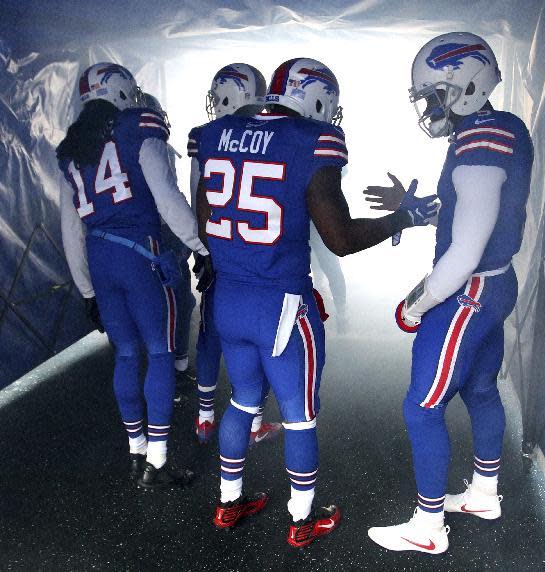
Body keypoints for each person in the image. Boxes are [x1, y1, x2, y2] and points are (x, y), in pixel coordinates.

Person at [193, 57, 438, 544]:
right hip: (281, 304)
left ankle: (227, 503)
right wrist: (403, 219)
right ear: (320, 98)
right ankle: (302, 520)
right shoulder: (312, 140)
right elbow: (340, 237)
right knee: (299, 415)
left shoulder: (214, 133)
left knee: (242, 402)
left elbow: (204, 222)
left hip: (229, 299)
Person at [365, 32, 534, 554]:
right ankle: (484, 493)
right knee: (480, 389)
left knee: (422, 407)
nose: (429, 107)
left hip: (470, 290)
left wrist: (417, 303)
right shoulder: (500, 128)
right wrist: (415, 209)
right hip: (496, 281)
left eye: (434, 94)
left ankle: (428, 528)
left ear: (465, 83)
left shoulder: (480, 140)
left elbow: (465, 249)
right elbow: (474, 208)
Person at [57, 62, 212, 490]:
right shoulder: (136, 128)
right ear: (125, 92)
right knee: (160, 355)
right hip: (141, 253)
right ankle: (159, 461)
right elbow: (168, 199)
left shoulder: (73, 147)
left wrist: (86, 286)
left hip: (100, 256)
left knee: (126, 354)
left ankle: (136, 450)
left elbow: (70, 226)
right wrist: (202, 247)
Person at [188, 64, 282, 446]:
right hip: (256, 255)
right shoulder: (274, 136)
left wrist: (201, 248)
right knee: (258, 338)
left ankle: (206, 416)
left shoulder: (208, 136)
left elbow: (199, 197)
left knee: (211, 330)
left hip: (219, 247)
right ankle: (255, 417)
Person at [142, 92, 198, 395]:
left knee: (150, 305)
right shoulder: (153, 146)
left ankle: (164, 367)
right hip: (162, 234)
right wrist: (195, 243)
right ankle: (174, 369)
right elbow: (168, 199)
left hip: (124, 240)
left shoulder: (109, 147)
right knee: (177, 301)